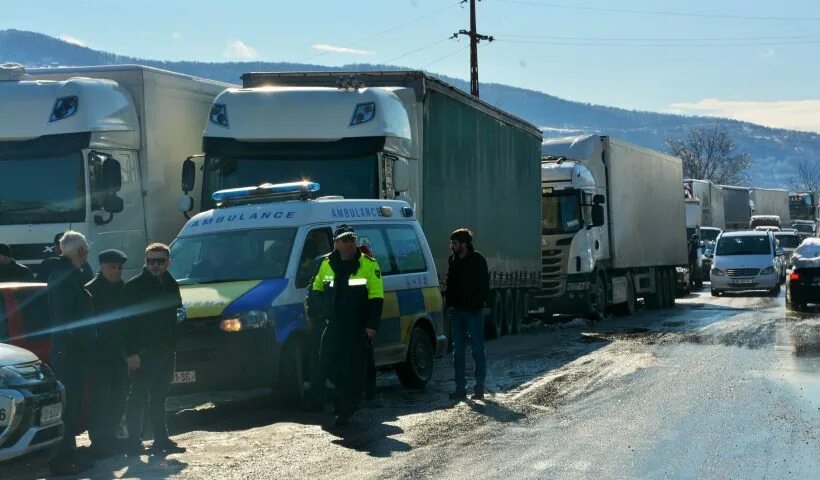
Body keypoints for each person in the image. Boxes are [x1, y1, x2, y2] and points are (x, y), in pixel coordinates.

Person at [308, 225, 384, 426]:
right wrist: (318, 311)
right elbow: (316, 289)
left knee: (354, 368)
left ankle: (347, 410)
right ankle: (349, 394)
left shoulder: (368, 264)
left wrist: (371, 325)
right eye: (345, 240)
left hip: (357, 325)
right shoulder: (327, 264)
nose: (349, 244)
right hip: (333, 323)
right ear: (336, 243)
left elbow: (376, 298)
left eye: (352, 240)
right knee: (326, 361)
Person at [124, 243, 185, 455]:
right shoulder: (135, 286)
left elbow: (176, 316)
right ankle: (133, 441)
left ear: (168, 262)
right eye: (150, 260)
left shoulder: (170, 283)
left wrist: (173, 344)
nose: (155, 265)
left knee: (160, 396)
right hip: (143, 352)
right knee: (138, 396)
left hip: (166, 351)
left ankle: (161, 438)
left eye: (159, 261)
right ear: (145, 261)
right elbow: (127, 324)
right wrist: (132, 353)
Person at [45, 231, 96, 476]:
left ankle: (69, 454)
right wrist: (83, 342)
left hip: (71, 350)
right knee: (68, 407)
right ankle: (60, 458)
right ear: (81, 252)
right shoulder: (65, 278)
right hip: (70, 352)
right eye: (86, 249)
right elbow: (67, 320)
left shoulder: (68, 275)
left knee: (74, 405)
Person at [85, 249, 131, 459]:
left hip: (119, 354)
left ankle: (112, 438)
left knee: (119, 398)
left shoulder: (125, 289)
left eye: (120, 267)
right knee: (100, 400)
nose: (117, 270)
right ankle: (98, 441)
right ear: (102, 267)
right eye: (113, 266)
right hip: (98, 355)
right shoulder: (90, 291)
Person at [446, 228, 489, 401]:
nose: (452, 246)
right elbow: (450, 283)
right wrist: (449, 304)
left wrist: (477, 304)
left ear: (464, 244)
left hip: (474, 312)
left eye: (454, 243)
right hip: (457, 312)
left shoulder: (478, 260)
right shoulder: (453, 260)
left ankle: (479, 388)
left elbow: (484, 285)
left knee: (477, 349)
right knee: (458, 352)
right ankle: (460, 389)